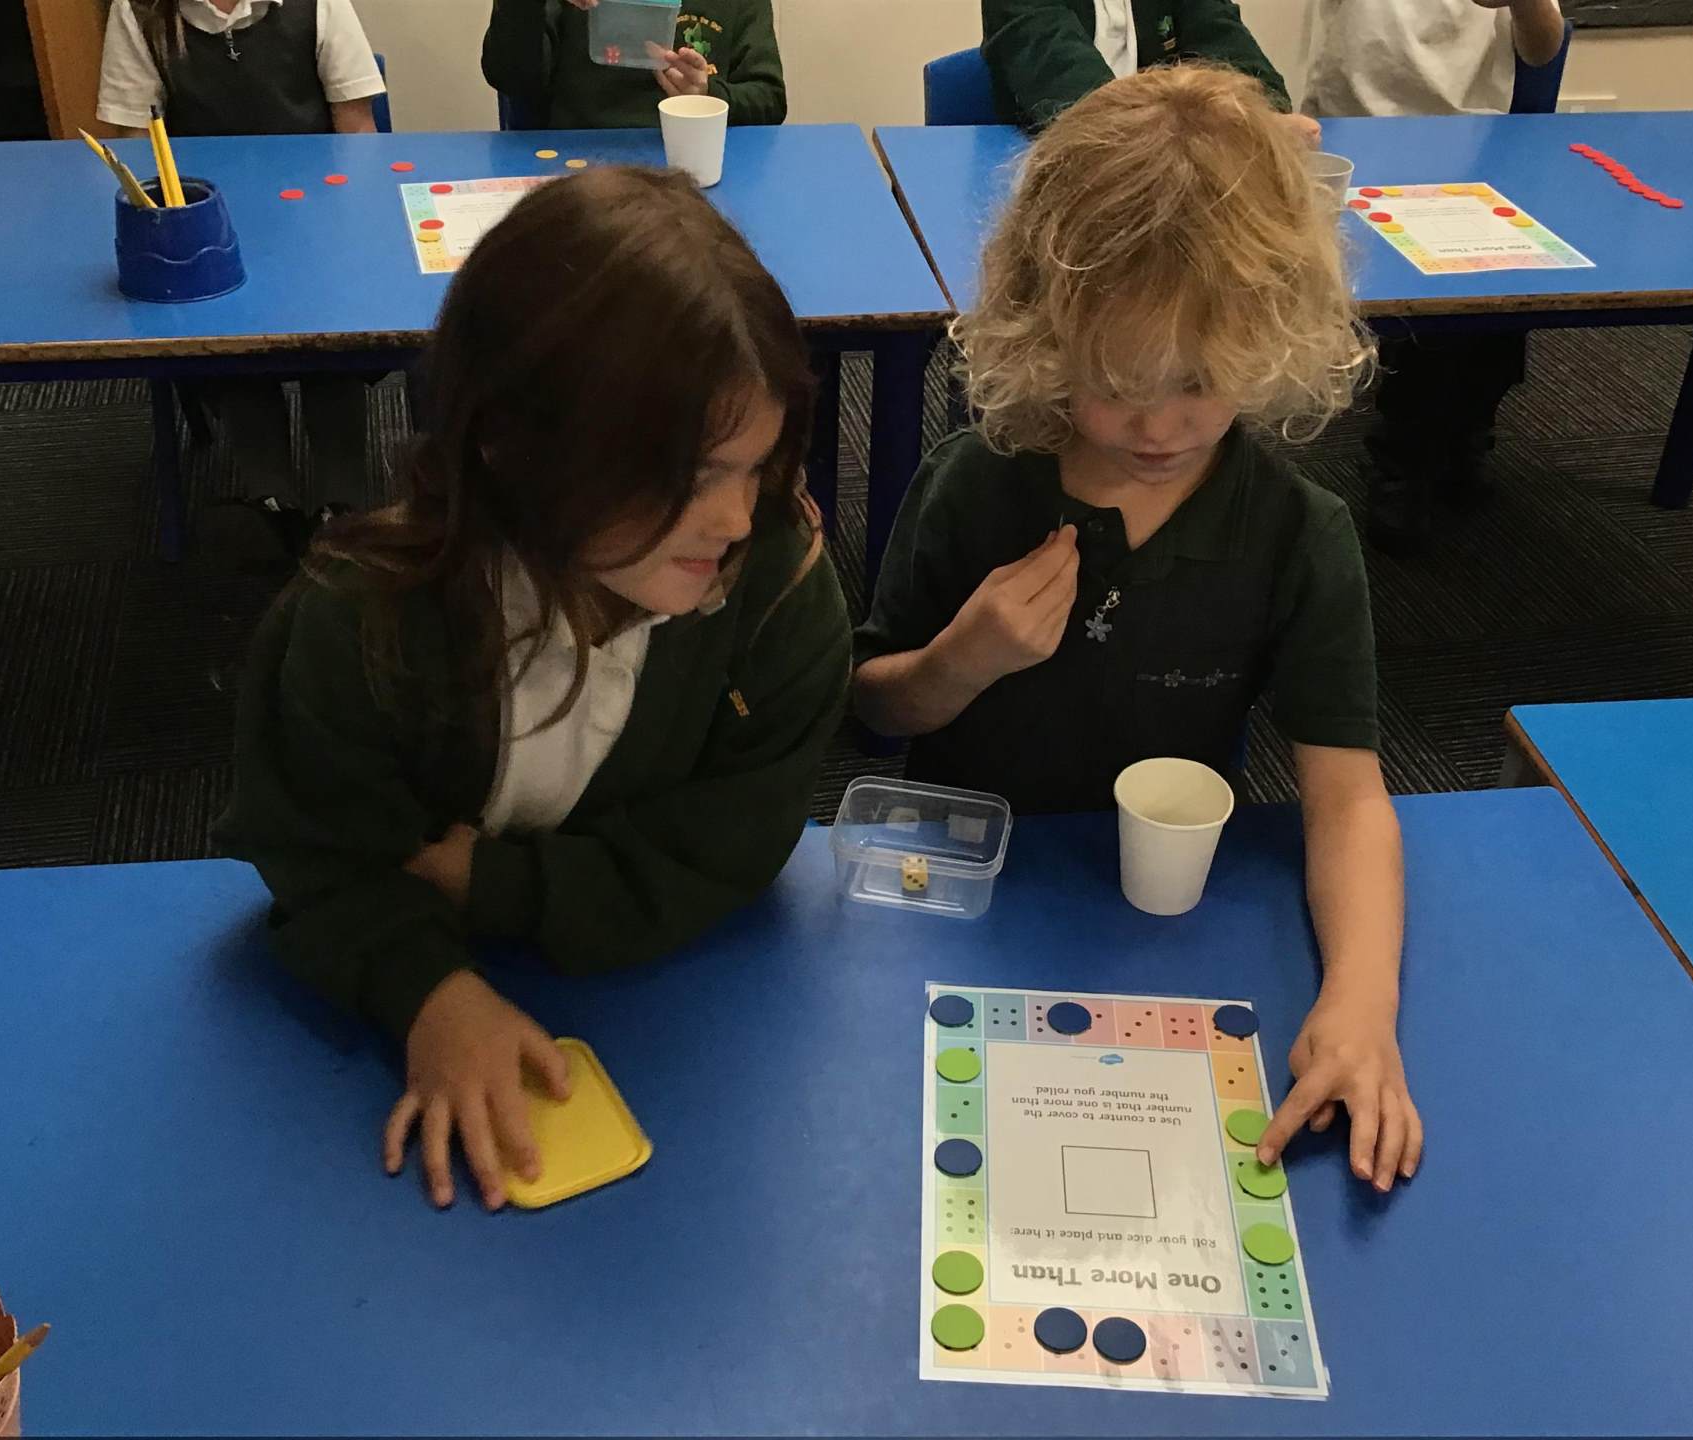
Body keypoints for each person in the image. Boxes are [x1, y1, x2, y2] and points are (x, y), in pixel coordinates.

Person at [215, 167, 851, 1210]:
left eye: (756, 465)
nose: (737, 519)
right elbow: (318, 855)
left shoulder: (779, 598)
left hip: (689, 1029)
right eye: (689, 476)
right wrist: (428, 993)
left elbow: (727, 850)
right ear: (511, 442)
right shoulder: (363, 618)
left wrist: (487, 881)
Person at [853, 65, 1422, 1191]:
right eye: (1117, 382)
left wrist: (1361, 1005)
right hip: (958, 898)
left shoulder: (1296, 535)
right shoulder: (977, 484)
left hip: (1161, 920)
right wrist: (963, 661)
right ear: (1049, 336)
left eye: (1200, 382)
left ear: (1271, 336)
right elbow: (872, 709)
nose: (1159, 427)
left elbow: (1349, 798)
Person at [97, 0, 387, 563]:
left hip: (313, 219)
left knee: (332, 338)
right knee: (228, 335)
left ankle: (342, 504)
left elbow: (356, 127)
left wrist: (358, 225)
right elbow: (136, 145)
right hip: (206, 221)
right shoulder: (140, 13)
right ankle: (271, 501)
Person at [1298, 0, 1567, 550]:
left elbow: (1544, 47)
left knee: (1500, 288)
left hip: (1473, 138)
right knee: (1424, 313)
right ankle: (1404, 459)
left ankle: (1467, 430)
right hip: (1359, 129)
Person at [981, 0, 1319, 142]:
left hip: (1168, 162)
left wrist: (1260, 118)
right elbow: (1057, 65)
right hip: (1053, 170)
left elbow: (1220, 33)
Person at [481, 0, 785, 129]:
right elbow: (512, 78)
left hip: (691, 165)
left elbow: (770, 99)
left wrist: (707, 96)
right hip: (580, 164)